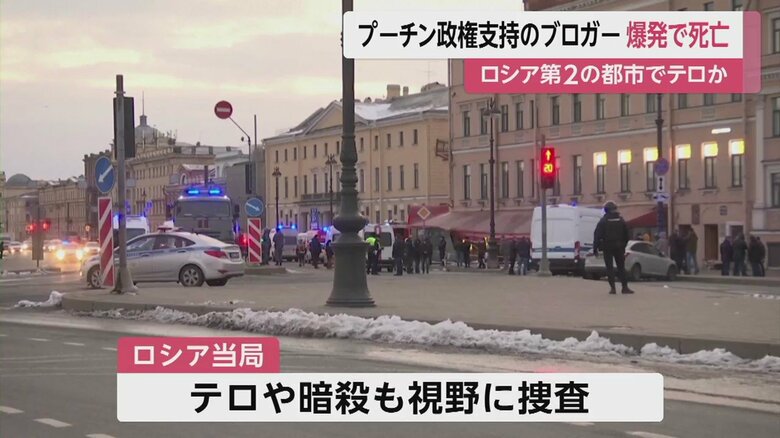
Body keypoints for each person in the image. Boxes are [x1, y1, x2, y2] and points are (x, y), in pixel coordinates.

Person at [593, 201, 634, 295]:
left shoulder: (603, 221)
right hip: (619, 246)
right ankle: (625, 287)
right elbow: (627, 234)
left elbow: (597, 235)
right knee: (621, 267)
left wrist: (595, 247)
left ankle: (613, 288)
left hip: (607, 246)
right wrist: (623, 245)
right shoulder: (621, 220)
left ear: (606, 210)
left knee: (609, 267)